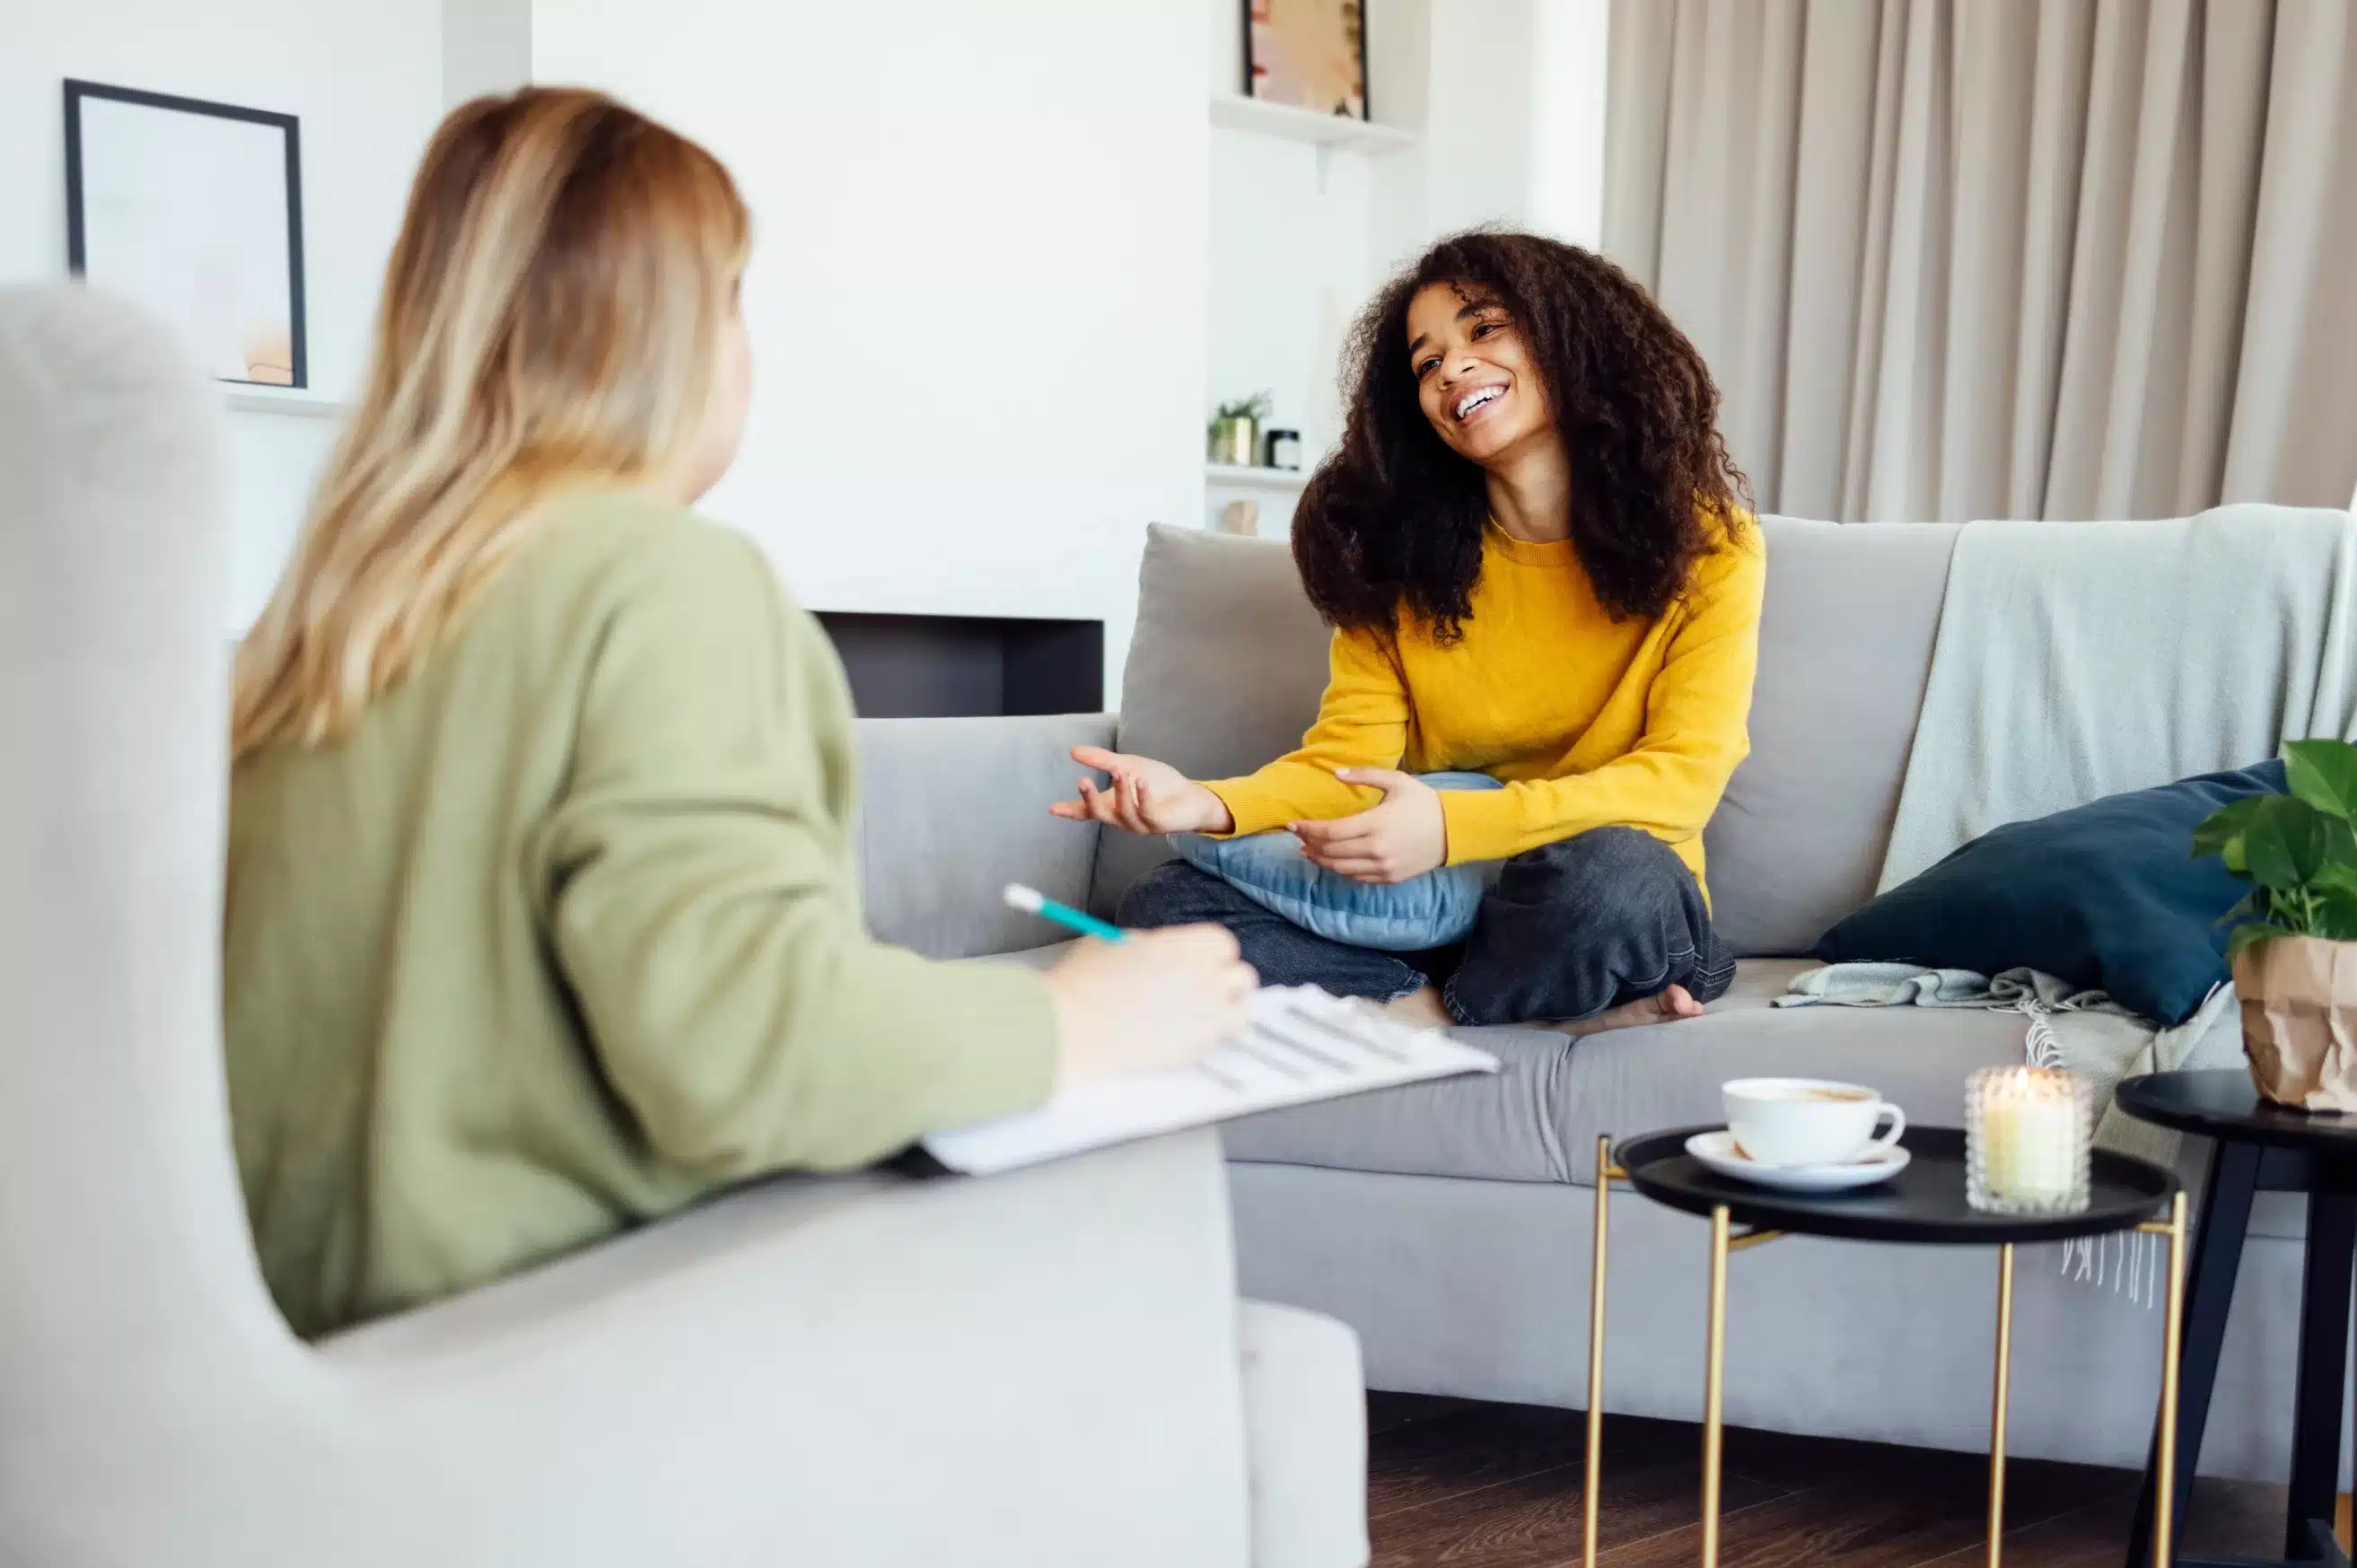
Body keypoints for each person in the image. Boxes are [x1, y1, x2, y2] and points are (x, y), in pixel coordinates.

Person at [223, 88, 1253, 1338]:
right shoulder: (660, 583)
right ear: (665, 335)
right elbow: (751, 1049)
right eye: (731, 298)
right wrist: (1076, 1017)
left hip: (318, 1346)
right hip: (547, 1346)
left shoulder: (316, 628)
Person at [1054, 231, 1766, 1035]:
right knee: (1166, 904)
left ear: (1575, 339)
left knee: (1614, 880)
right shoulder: (1398, 560)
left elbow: (1680, 780)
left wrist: (1451, 826)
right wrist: (1204, 802)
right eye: (1427, 364)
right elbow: (1341, 767)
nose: (1452, 369)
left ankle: (1433, 1011)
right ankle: (1522, 1003)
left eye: (1484, 329)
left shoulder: (1709, 544)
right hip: (1431, 917)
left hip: (1603, 899)